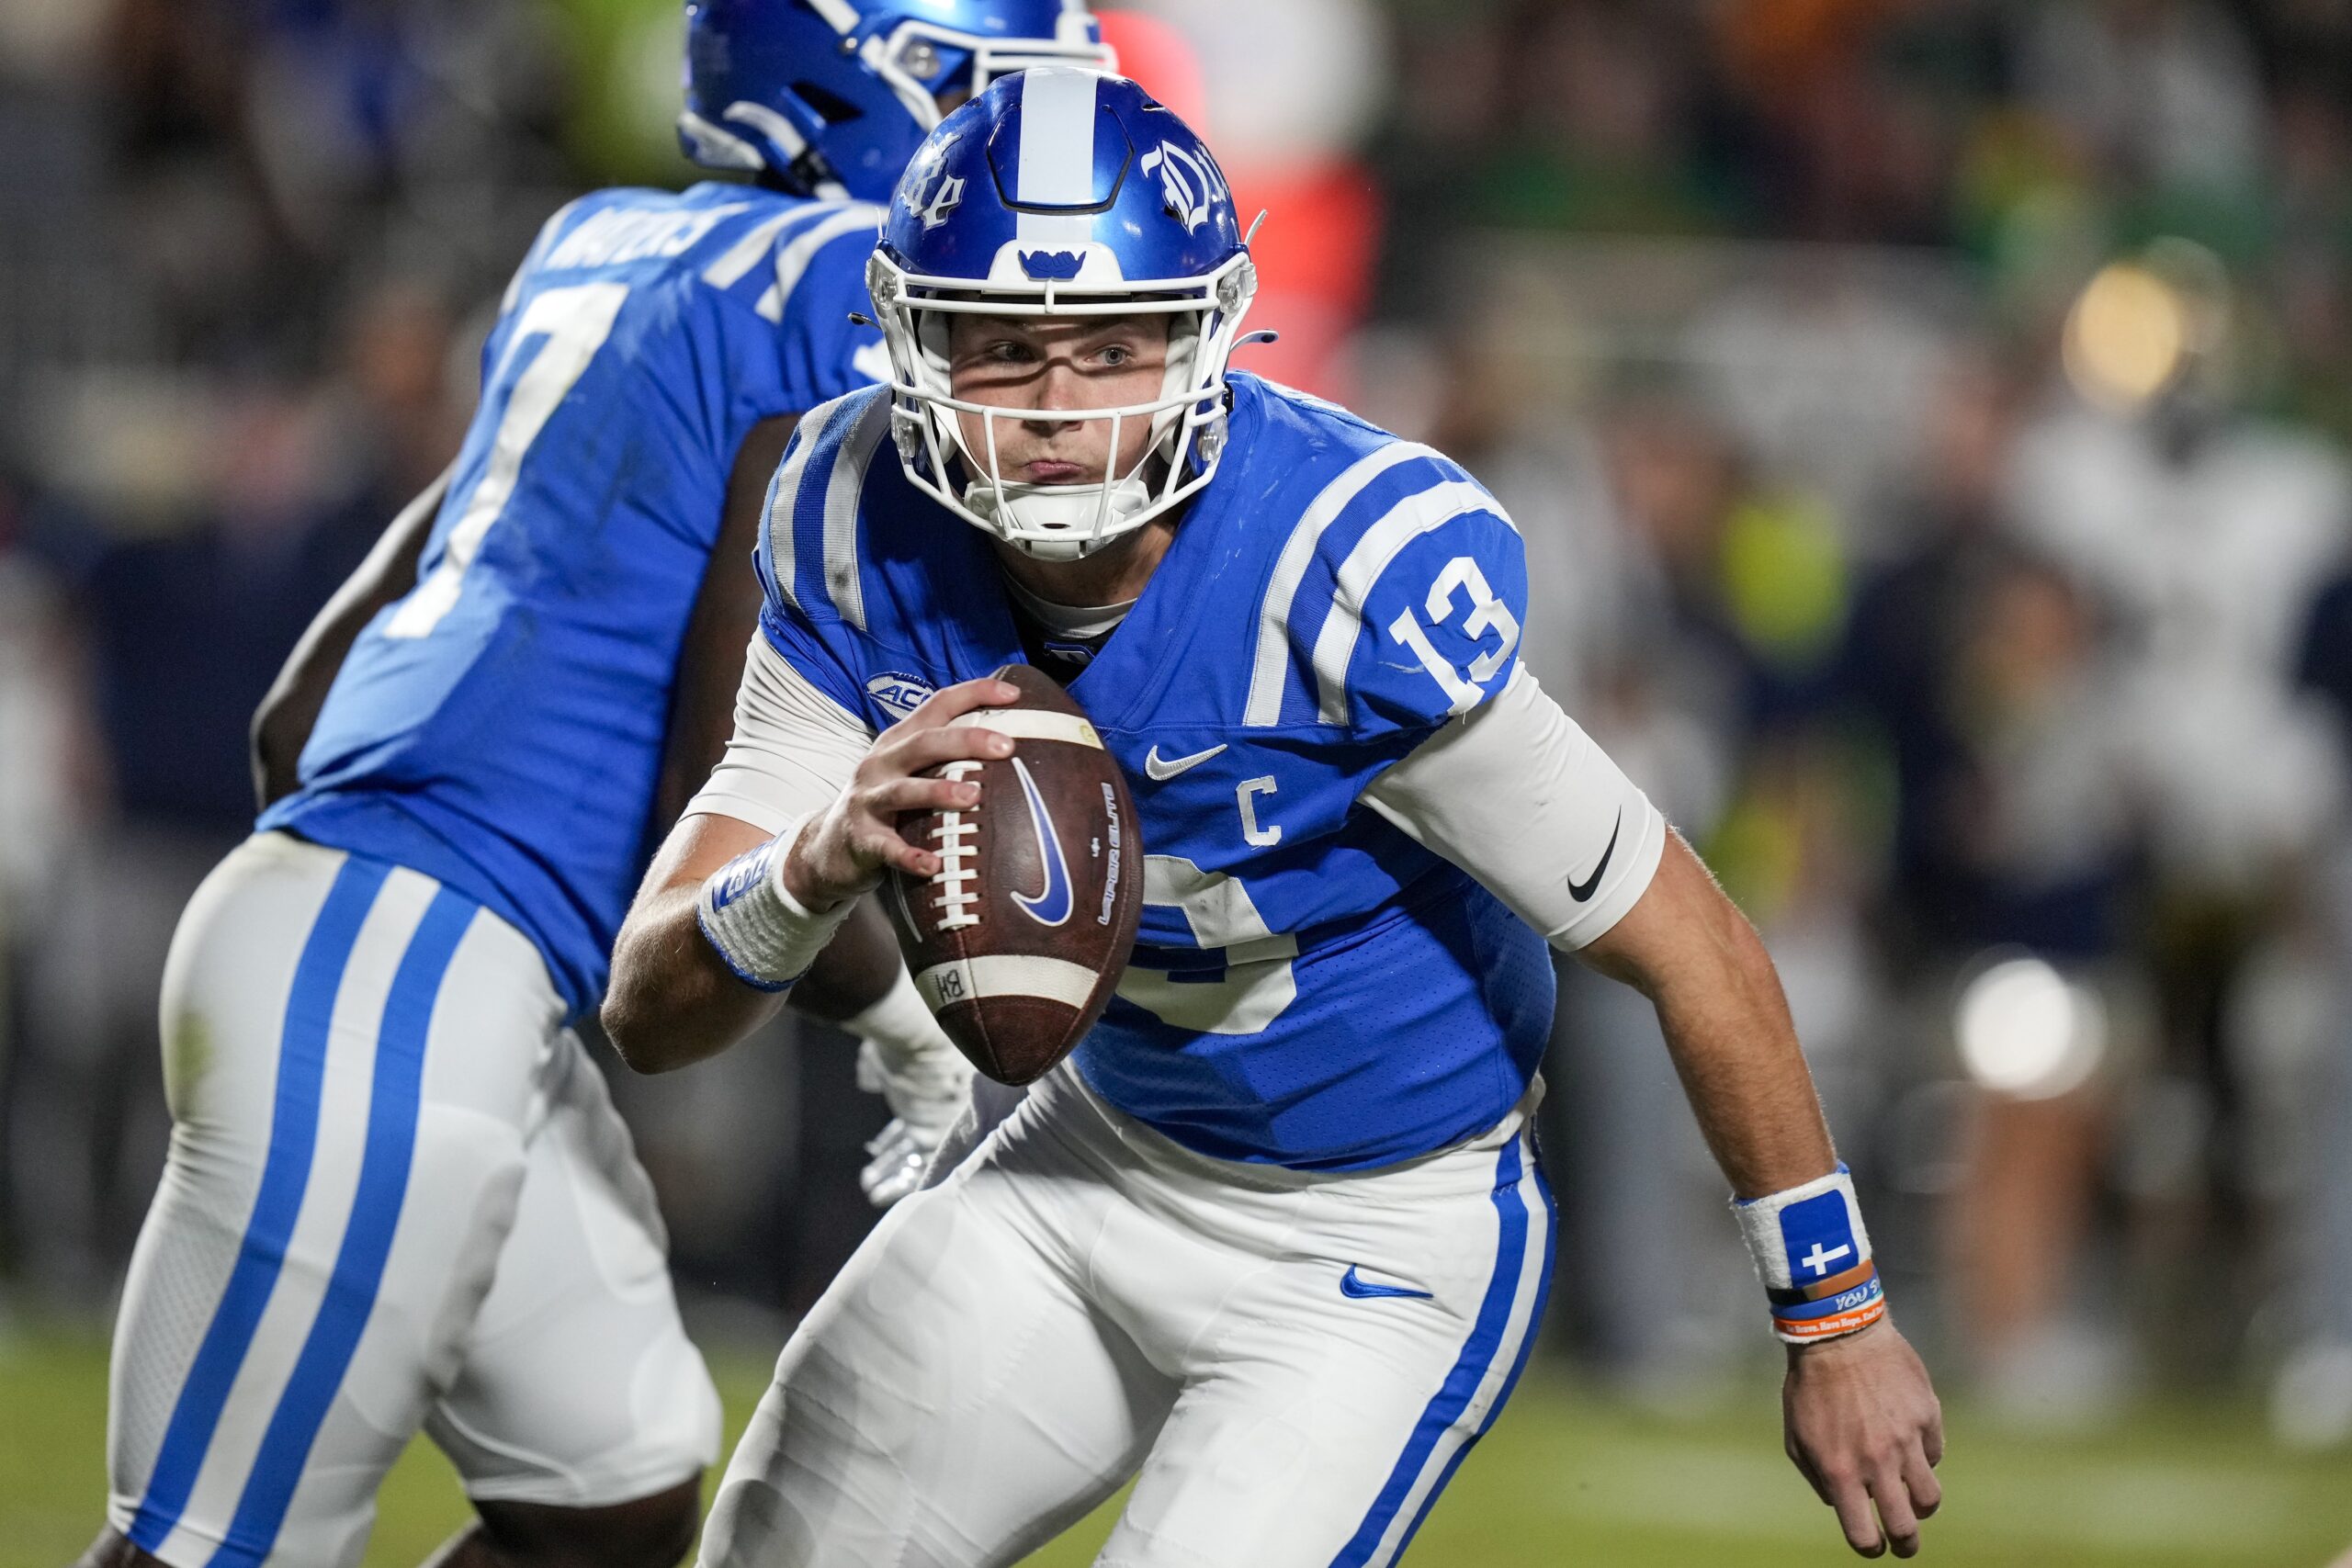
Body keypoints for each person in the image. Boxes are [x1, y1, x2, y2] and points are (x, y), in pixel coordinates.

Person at [607, 70, 1945, 1567]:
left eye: (1111, 350)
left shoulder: (1341, 570)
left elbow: (1695, 946)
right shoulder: (856, 526)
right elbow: (651, 1008)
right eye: (1002, 352)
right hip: (1089, 1164)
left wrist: (1838, 1317)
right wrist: (807, 868)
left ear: (1203, 343)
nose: (1057, 414)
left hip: (1372, 1241)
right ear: (915, 344)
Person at [76, 7, 1112, 1568]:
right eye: (999, 98)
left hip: (374, 936)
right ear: (874, 84)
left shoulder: (603, 243)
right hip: (407, 970)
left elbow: (299, 711)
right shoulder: (856, 297)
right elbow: (734, 795)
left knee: (607, 1495)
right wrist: (910, 1010)